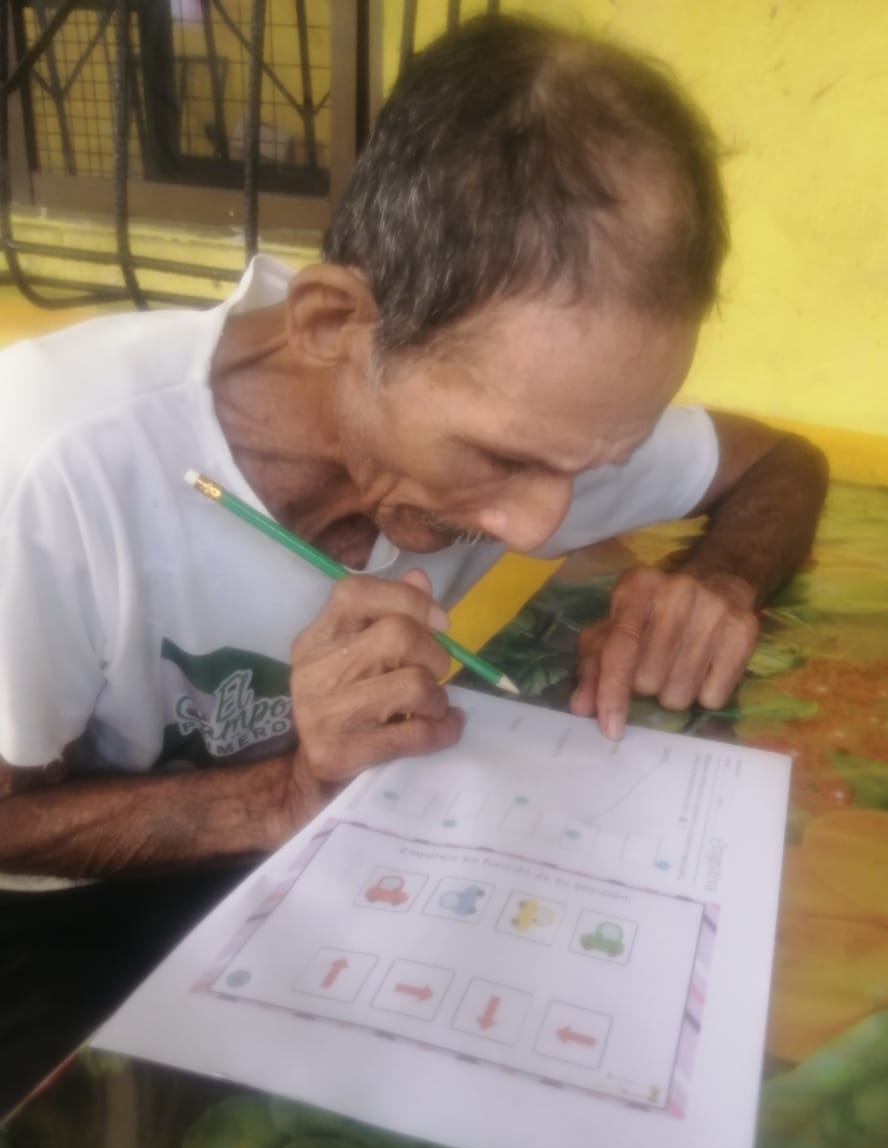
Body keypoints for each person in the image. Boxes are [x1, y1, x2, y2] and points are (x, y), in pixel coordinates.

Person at [0, 14, 827, 885]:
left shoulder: (549, 416)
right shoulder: (50, 463)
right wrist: (282, 797)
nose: (537, 527)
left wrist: (719, 582)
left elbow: (782, 462)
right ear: (335, 324)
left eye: (593, 467)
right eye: (502, 459)